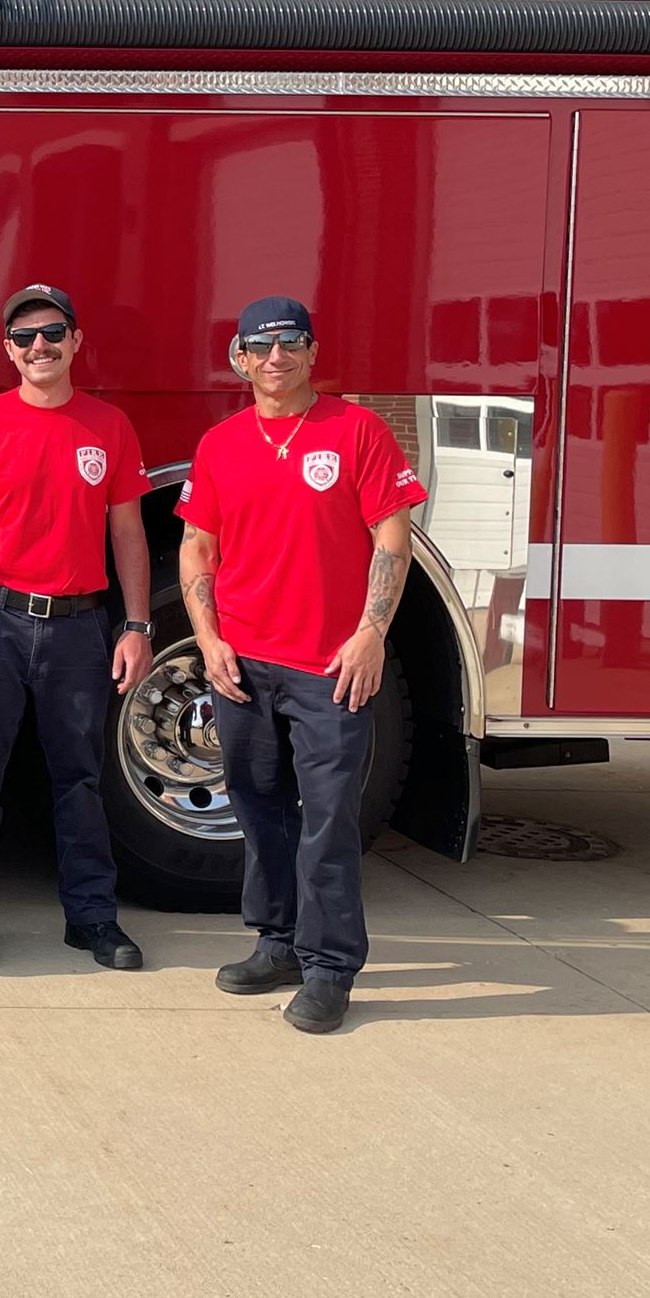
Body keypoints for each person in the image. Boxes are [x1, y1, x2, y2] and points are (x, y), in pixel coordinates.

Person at [180, 296, 425, 1034]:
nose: (277, 357)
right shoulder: (221, 443)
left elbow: (392, 539)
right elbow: (198, 548)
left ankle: (329, 968)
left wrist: (371, 635)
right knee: (257, 811)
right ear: (240, 360)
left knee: (327, 821)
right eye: (261, 345)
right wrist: (210, 639)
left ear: (313, 351)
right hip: (243, 666)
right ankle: (278, 941)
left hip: (329, 669)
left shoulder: (358, 432)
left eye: (291, 342)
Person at [0, 285, 153, 974]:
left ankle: (92, 919)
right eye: (25, 337)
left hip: (79, 627)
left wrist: (138, 625)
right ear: (7, 350)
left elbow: (129, 536)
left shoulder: (109, 427)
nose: (40, 347)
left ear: (76, 340)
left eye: (53, 332)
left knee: (79, 782)